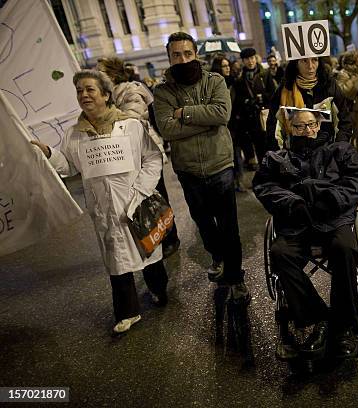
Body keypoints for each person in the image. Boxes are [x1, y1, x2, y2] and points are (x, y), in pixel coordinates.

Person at [31, 70, 167, 334]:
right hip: (104, 210)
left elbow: (152, 158)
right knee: (116, 260)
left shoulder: (130, 126)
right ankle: (127, 312)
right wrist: (49, 153)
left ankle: (159, 290)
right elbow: (69, 166)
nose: (84, 95)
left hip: (135, 203)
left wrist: (141, 191)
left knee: (149, 252)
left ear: (106, 94)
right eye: (80, 90)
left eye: (90, 89)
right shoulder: (74, 134)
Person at [252, 108, 358, 359]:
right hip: (297, 222)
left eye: (311, 125)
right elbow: (264, 186)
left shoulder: (340, 150)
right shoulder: (276, 157)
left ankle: (345, 326)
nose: (306, 131)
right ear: (289, 129)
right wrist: (291, 203)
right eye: (299, 127)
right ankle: (319, 318)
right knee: (280, 253)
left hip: (334, 218)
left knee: (346, 248)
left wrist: (332, 199)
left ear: (319, 126)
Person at [153, 32, 250, 303]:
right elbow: (167, 129)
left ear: (195, 54)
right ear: (169, 58)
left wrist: (184, 113)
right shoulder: (162, 91)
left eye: (187, 54)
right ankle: (218, 256)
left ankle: (236, 277)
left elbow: (222, 114)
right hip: (188, 171)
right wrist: (205, 118)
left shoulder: (215, 80)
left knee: (229, 226)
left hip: (219, 165)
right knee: (204, 223)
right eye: (176, 55)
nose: (182, 59)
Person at [97, 56, 181, 257]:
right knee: (142, 199)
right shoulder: (109, 94)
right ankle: (154, 235)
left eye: (101, 71)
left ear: (112, 74)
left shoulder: (132, 90)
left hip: (146, 154)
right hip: (126, 155)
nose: (97, 74)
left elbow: (130, 118)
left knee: (157, 197)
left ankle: (171, 237)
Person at [265, 56, 352, 151]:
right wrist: (280, 156)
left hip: (327, 153)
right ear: (296, 64)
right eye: (304, 61)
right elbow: (274, 126)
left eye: (315, 60)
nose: (310, 66)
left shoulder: (330, 86)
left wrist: (338, 149)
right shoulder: (284, 89)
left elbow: (344, 120)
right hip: (294, 155)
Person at [210, 54, 246, 192]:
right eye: (224, 66)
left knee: (237, 154)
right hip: (221, 126)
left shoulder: (234, 82)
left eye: (227, 65)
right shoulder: (214, 86)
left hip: (235, 125)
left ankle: (238, 180)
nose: (227, 68)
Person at [233, 47, 269, 169]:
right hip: (251, 121)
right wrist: (248, 102)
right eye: (247, 59)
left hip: (266, 117)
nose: (250, 61)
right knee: (259, 149)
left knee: (270, 148)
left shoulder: (265, 75)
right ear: (243, 61)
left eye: (252, 58)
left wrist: (263, 99)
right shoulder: (240, 80)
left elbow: (273, 94)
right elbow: (238, 101)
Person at [335, 51, 358, 158]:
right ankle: (350, 154)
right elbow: (344, 92)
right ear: (353, 60)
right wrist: (352, 80)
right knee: (351, 132)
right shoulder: (343, 74)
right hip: (349, 108)